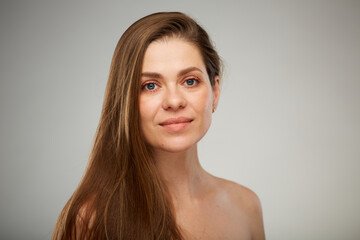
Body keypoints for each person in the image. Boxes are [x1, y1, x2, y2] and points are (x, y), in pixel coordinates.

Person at [52, 12, 265, 240]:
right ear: (126, 101)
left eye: (190, 81)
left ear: (215, 92)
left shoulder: (246, 206)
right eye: (150, 86)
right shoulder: (91, 220)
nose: (174, 101)